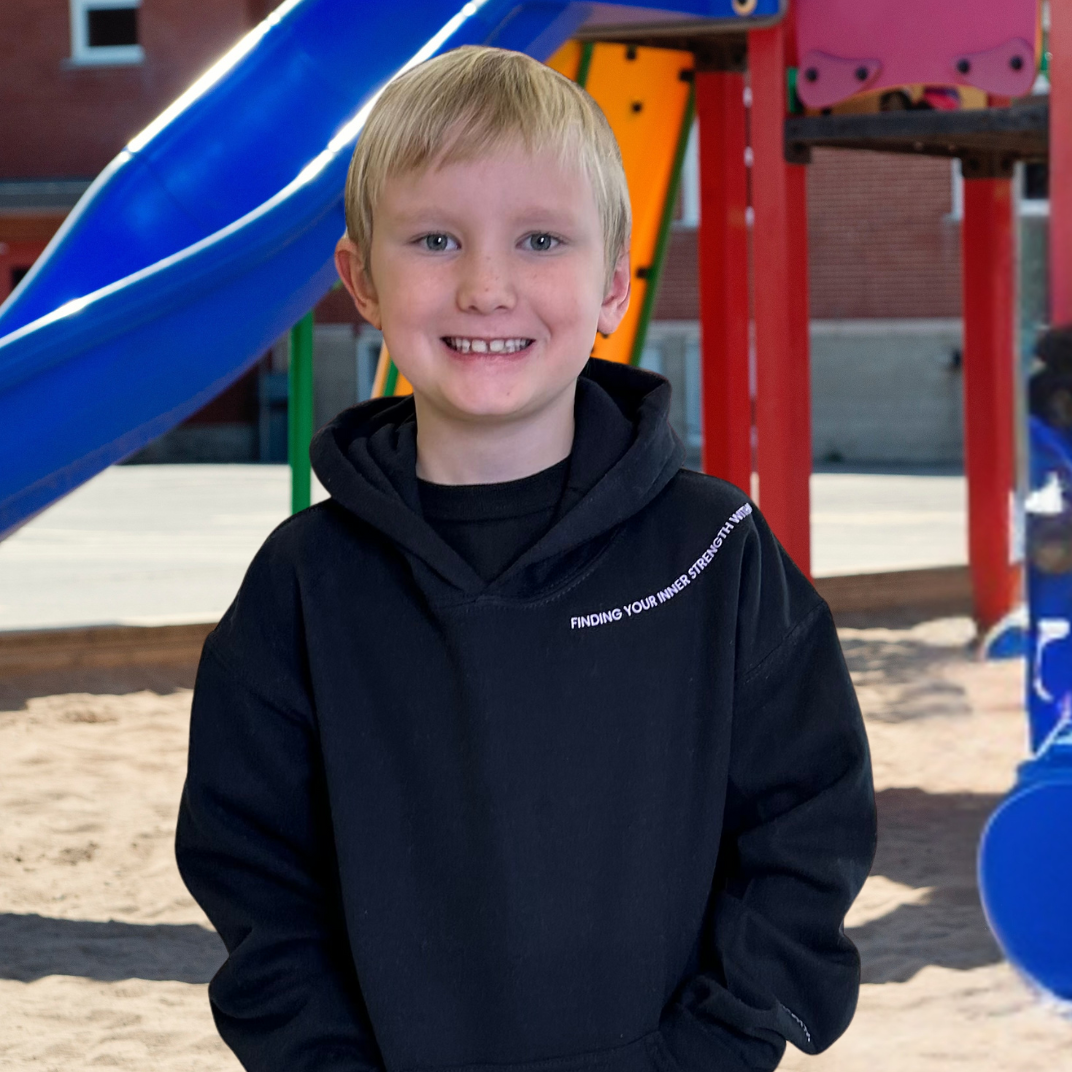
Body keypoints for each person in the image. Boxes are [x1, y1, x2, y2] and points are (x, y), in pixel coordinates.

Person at [176, 45, 876, 1072]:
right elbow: (254, 872)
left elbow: (807, 825)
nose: (486, 285)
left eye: (539, 238)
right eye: (434, 239)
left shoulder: (715, 553)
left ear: (611, 276)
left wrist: (713, 1046)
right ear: (362, 280)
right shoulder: (303, 586)